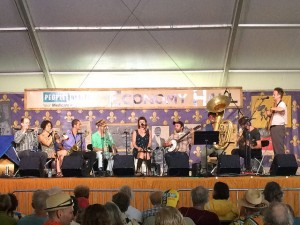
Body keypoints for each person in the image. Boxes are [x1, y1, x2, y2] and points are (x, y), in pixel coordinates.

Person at [266, 87, 287, 154]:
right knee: (276, 148)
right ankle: (278, 162)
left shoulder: (282, 103)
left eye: (274, 94)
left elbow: (281, 109)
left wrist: (272, 109)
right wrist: (269, 114)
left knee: (279, 148)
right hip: (274, 128)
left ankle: (282, 163)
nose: (273, 96)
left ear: (279, 95)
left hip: (278, 127)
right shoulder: (276, 105)